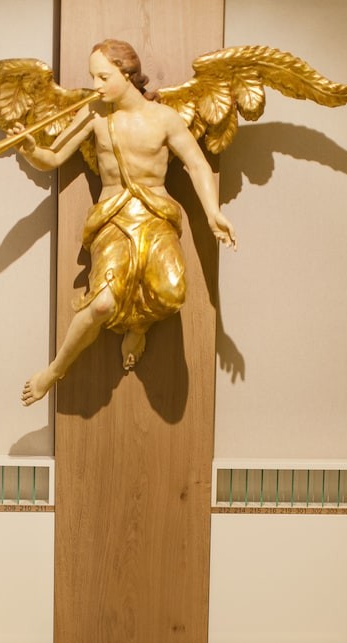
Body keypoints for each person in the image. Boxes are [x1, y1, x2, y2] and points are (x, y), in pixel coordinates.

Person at [15, 39, 237, 406]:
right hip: (113, 217)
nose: (96, 85)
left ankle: (138, 323)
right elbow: (52, 158)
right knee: (102, 304)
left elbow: (197, 164)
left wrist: (213, 212)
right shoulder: (94, 114)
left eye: (103, 77)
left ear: (128, 74)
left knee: (172, 294)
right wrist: (30, 150)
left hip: (155, 215)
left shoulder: (164, 118)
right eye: (93, 77)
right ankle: (53, 371)